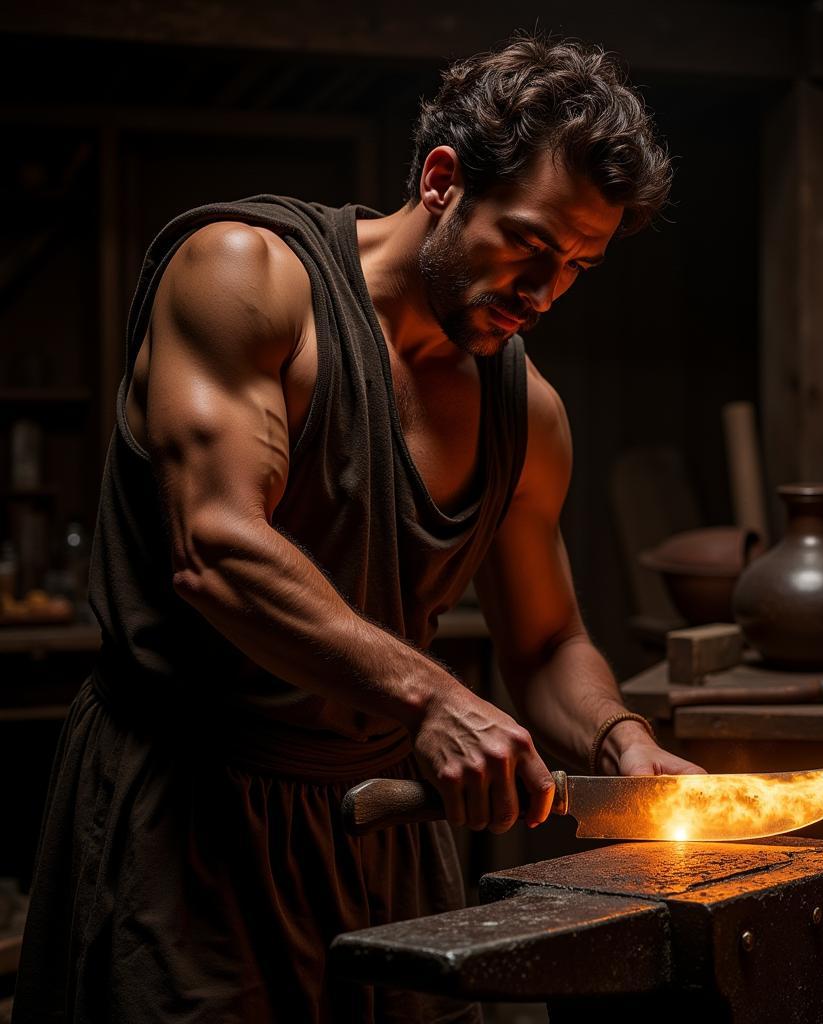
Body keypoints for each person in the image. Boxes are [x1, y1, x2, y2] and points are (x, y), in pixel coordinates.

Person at [14, 33, 704, 1024]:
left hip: (383, 830)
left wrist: (619, 736)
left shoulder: (528, 412)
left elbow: (548, 642)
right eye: (529, 244)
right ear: (440, 179)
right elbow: (215, 547)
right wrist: (432, 698)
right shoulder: (246, 278)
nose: (544, 291)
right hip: (190, 818)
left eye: (578, 266)